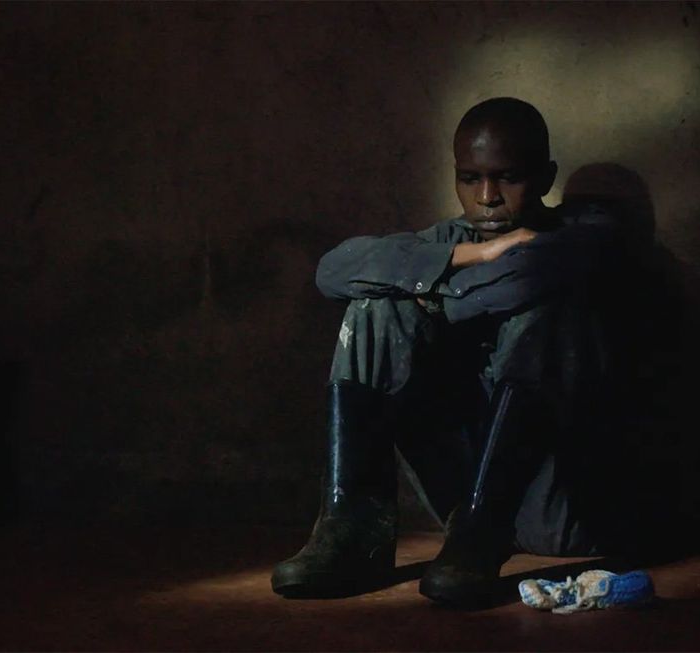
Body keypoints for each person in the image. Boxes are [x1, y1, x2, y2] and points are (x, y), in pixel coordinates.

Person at [270, 97, 630, 606]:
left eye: (507, 177)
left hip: (557, 505)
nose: (486, 197)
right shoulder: (454, 239)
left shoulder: (584, 238)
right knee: (375, 308)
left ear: (546, 176)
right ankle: (352, 533)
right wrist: (472, 255)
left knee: (545, 311)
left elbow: (523, 280)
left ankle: (486, 528)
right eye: (469, 178)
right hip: (463, 511)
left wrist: (433, 291)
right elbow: (334, 271)